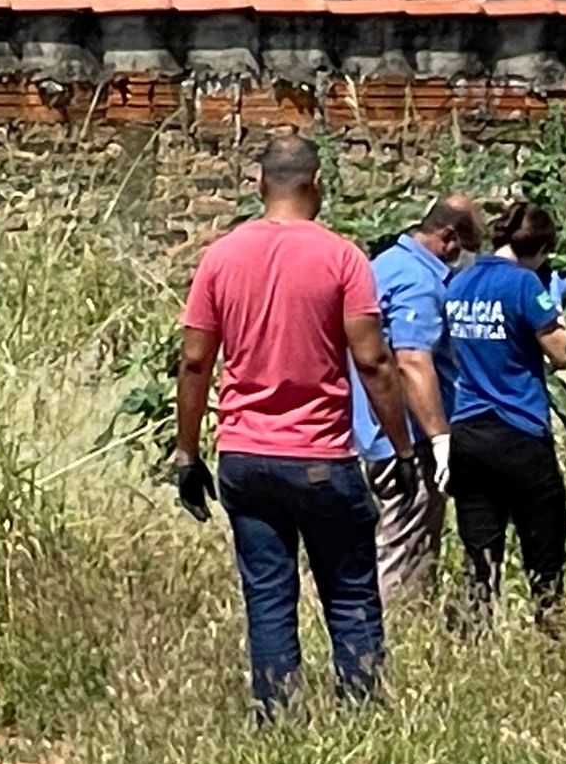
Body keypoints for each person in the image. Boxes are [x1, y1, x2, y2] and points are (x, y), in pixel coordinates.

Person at [174, 134, 417, 717]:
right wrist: (402, 450)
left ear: (259, 186)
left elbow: (193, 361)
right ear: (319, 187)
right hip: (319, 456)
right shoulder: (342, 258)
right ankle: (360, 716)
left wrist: (187, 453)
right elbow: (374, 360)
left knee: (267, 593)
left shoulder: (221, 257)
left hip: (243, 455)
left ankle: (278, 720)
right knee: (351, 588)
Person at [444, 202, 566, 622]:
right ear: (539, 249)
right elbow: (562, 354)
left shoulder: (459, 282)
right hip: (519, 430)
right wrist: (555, 308)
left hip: (469, 429)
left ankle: (474, 638)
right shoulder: (523, 285)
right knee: (544, 549)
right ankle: (550, 632)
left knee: (480, 555)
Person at [351, 196, 483, 604]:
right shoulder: (419, 283)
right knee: (404, 552)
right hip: (406, 440)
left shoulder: (382, 266)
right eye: (471, 246)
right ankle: (391, 640)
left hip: (365, 431)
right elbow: (412, 361)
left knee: (376, 544)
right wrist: (440, 439)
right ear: (449, 239)